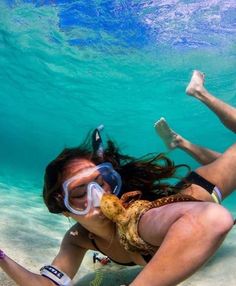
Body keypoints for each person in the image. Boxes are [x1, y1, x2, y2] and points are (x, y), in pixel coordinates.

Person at [0, 71, 235, 286]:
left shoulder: (136, 221)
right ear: (63, 209)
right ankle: (180, 142)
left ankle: (199, 94)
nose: (98, 196)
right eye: (80, 193)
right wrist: (2, 259)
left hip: (203, 188)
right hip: (180, 197)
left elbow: (212, 219)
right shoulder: (77, 239)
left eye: (101, 183)